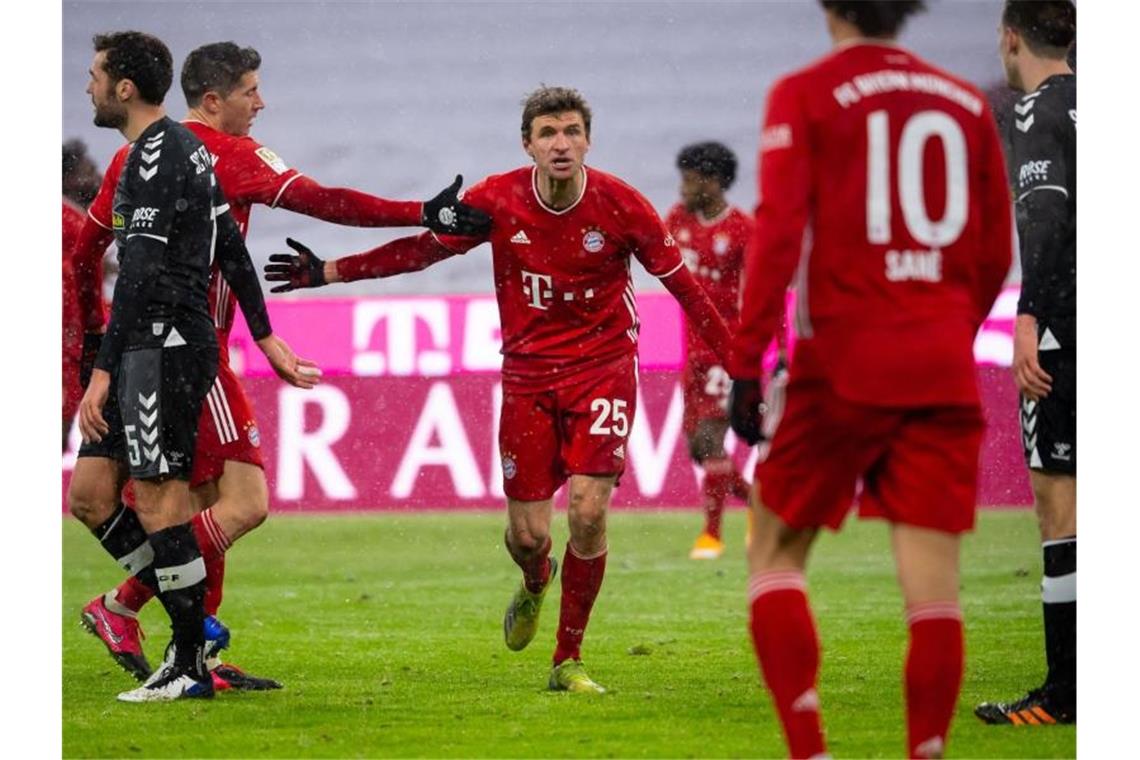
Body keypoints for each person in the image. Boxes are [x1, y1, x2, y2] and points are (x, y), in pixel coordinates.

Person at [264, 86, 733, 694]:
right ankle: (537, 579)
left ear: (588, 139)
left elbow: (689, 294)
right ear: (528, 144)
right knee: (528, 537)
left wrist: (742, 367)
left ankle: (567, 660)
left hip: (604, 369)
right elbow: (422, 252)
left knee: (589, 512)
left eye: (571, 132)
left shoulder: (624, 207)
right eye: (548, 133)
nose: (561, 144)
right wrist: (327, 271)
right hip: (528, 378)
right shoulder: (497, 199)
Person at [71, 40, 491, 691]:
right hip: (183, 354)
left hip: (144, 352)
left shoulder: (134, 157)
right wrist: (421, 211)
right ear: (214, 99)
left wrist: (97, 348)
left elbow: (95, 250)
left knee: (192, 500)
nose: (261, 103)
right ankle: (127, 607)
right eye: (250, 92)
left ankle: (189, 656)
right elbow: (325, 201)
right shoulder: (222, 155)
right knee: (240, 503)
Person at [726, 2, 1012, 756]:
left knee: (775, 550)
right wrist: (949, 333)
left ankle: (810, 749)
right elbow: (991, 249)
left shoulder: (804, 93)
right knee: (934, 590)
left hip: (844, 365)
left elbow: (780, 231)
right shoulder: (966, 101)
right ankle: (927, 749)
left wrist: (747, 360)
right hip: (941, 370)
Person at [68, 30, 319, 702]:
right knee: (94, 498)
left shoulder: (156, 158)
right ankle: (173, 638)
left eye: (94, 75)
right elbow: (231, 247)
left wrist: (101, 369)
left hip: (160, 348)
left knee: (163, 504)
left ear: (124, 86)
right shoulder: (180, 152)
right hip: (157, 347)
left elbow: (141, 273)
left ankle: (180, 654)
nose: (87, 85)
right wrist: (265, 336)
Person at [975, 0, 1076, 727]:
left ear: (1011, 38)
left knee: (1059, 510)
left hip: (1069, 325)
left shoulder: (1035, 110)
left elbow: (1045, 217)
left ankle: (1064, 696)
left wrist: (1029, 315)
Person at [665, 142, 781, 560]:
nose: (682, 188)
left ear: (713, 183)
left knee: (712, 440)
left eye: (690, 179)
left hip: (725, 349)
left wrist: (775, 349)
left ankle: (711, 536)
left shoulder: (743, 230)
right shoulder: (677, 220)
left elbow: (766, 290)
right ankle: (760, 506)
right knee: (696, 445)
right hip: (691, 353)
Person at [63, 140, 102, 448]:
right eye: (88, 171)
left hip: (75, 349)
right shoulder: (71, 225)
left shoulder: (77, 222)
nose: (98, 176)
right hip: (70, 348)